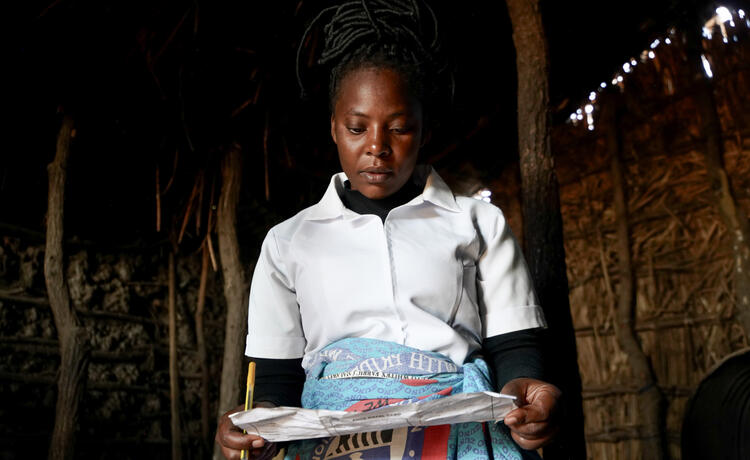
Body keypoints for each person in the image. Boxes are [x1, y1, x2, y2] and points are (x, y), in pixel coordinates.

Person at [216, 1, 561, 459]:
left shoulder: (478, 223)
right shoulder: (288, 242)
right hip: (332, 441)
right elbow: (274, 381)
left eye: (398, 128)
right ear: (334, 129)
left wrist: (526, 397)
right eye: (357, 128)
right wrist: (254, 423)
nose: (377, 147)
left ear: (422, 131)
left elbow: (514, 345)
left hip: (458, 427)